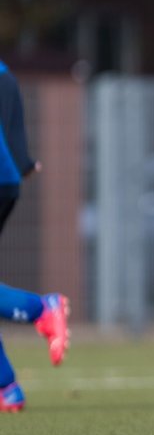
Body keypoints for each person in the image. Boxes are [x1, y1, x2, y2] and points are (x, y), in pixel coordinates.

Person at [0, 59, 70, 413]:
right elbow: (9, 112)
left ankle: (41, 309)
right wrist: (24, 162)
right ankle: (6, 387)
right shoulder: (2, 71)